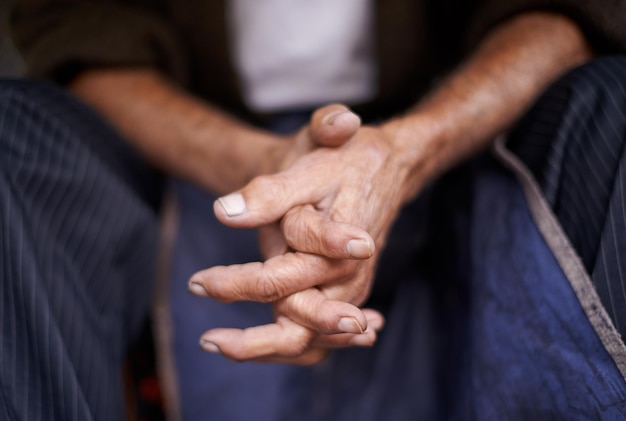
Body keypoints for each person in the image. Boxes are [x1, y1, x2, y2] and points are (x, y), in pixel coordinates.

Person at [3, 0, 626, 419]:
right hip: (182, 154)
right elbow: (78, 32)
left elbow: (564, 13)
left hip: (452, 145)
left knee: (613, 103)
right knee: (13, 131)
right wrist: (273, 168)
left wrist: (402, 153)